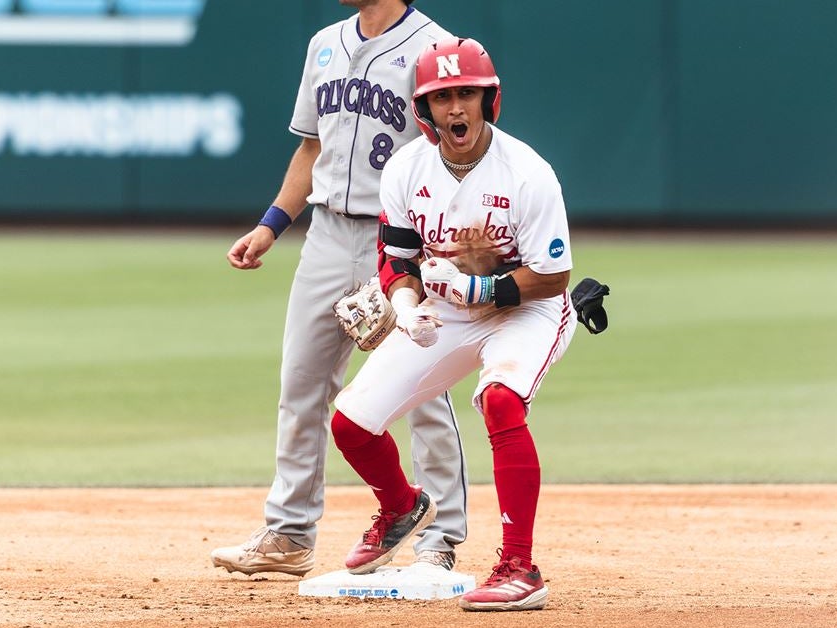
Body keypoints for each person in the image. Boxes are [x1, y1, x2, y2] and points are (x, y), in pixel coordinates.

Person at [213, 0, 466, 577]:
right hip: (326, 232)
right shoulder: (325, 42)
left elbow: (455, 149)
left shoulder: (435, 47)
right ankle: (289, 533)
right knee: (300, 382)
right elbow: (313, 148)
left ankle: (441, 536)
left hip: (403, 237)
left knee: (421, 388)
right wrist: (271, 224)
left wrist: (437, 238)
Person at [328, 37, 575, 612]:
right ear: (424, 110)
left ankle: (520, 566)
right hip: (448, 310)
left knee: (501, 402)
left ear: (490, 100)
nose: (456, 109)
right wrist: (406, 304)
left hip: (527, 309)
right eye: (443, 98)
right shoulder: (406, 169)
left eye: (467, 94)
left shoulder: (528, 173)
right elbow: (398, 258)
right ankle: (399, 505)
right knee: (350, 425)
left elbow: (554, 277)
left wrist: (481, 286)